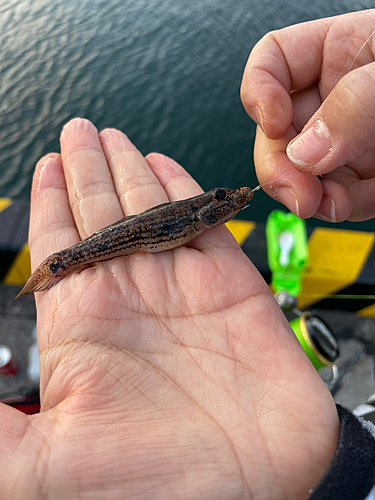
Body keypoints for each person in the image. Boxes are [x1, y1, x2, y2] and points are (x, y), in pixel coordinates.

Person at [0, 9, 374, 500]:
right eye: (222, 202)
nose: (230, 202)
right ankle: (57, 266)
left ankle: (58, 265)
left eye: (224, 204)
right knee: (84, 245)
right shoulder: (200, 215)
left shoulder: (204, 214)